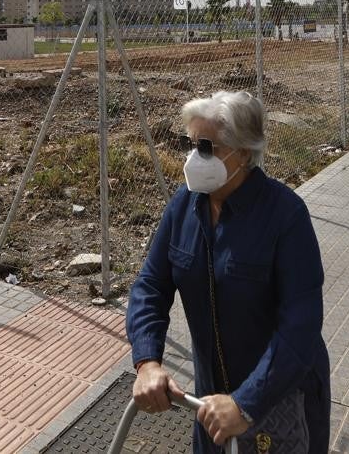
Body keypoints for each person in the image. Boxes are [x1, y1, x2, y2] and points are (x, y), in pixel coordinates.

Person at [126, 91, 330, 453]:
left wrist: (246, 403)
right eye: (190, 145)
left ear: (245, 152)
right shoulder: (184, 205)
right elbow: (150, 286)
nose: (193, 158)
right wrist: (147, 362)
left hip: (278, 398)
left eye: (207, 147)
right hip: (210, 406)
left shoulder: (286, 216)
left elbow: (301, 324)